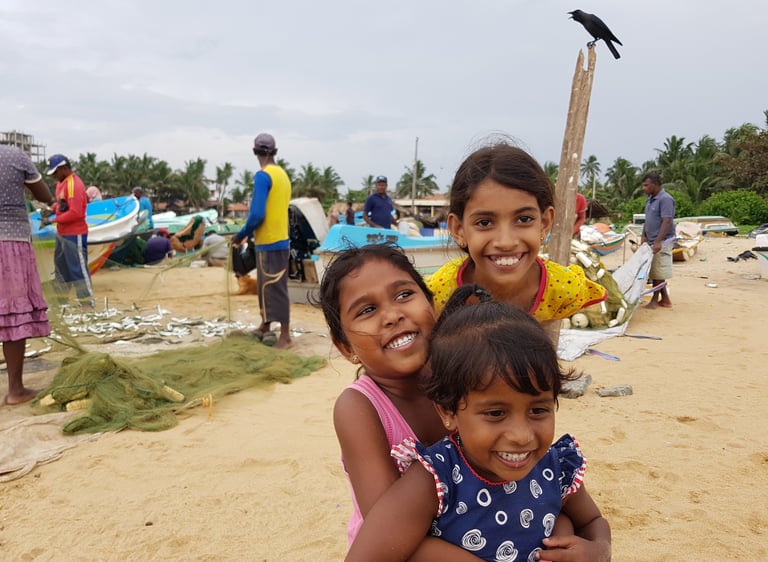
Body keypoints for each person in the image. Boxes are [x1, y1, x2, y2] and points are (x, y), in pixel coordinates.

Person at [347, 285, 612, 562]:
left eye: (538, 410)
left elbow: (593, 521)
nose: (522, 436)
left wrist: (599, 550)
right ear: (448, 411)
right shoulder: (436, 479)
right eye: (496, 414)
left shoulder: (554, 468)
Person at [318, 244, 481, 559]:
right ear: (345, 348)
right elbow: (390, 537)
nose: (393, 315)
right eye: (366, 310)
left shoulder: (466, 375)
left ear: (432, 305)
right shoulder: (359, 408)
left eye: (404, 295)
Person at [427, 142, 607, 326]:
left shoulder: (561, 289)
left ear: (544, 223)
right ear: (458, 229)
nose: (506, 242)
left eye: (524, 219)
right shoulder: (439, 294)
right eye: (485, 223)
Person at [0, 146, 54, 405]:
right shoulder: (15, 156)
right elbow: (44, 194)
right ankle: (15, 390)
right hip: (11, 241)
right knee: (12, 315)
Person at [232, 133, 292, 349]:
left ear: (255, 152)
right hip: (279, 239)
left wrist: (241, 235)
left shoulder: (263, 176)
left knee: (275, 287)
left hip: (270, 241)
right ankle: (265, 325)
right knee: (266, 287)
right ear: (274, 151)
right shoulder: (282, 175)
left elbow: (257, 214)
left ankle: (285, 336)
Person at [44, 154, 95, 308]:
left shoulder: (74, 184)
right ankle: (61, 301)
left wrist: (53, 220)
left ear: (64, 169)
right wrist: (51, 210)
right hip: (62, 233)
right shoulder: (61, 184)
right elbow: (62, 204)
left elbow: (76, 213)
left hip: (75, 234)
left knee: (77, 269)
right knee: (61, 269)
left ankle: (87, 302)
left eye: (55, 172)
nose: (53, 176)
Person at [640, 172, 675, 309]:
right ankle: (665, 300)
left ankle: (655, 299)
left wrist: (658, 241)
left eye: (646, 185)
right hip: (651, 240)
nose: (644, 188)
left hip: (662, 240)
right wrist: (644, 235)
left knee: (658, 271)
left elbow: (667, 221)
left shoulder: (665, 199)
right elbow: (647, 219)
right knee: (655, 271)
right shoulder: (650, 200)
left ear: (655, 185)